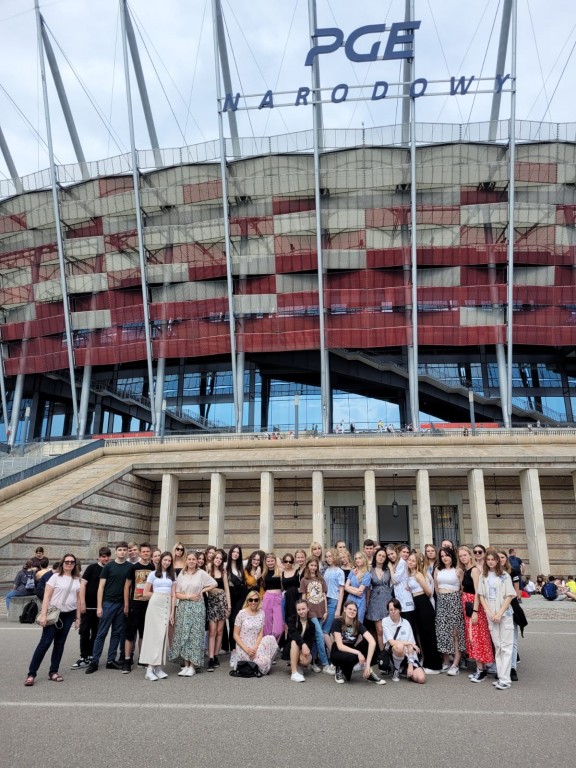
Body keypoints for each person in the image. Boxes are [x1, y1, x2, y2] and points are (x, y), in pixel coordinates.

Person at [24, 554, 81, 686]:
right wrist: (43, 615)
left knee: (60, 644)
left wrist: (78, 618)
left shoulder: (77, 579)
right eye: (66, 561)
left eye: (72, 562)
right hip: (54, 614)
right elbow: (47, 597)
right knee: (45, 643)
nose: (69, 564)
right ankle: (31, 674)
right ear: (62, 563)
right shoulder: (55, 577)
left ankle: (53, 672)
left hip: (68, 615)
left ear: (75, 564)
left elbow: (78, 600)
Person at [85, 542, 132, 674]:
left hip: (121, 604)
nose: (122, 552)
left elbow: (129, 586)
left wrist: (126, 605)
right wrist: (99, 606)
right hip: (108, 603)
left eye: (124, 550)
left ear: (127, 552)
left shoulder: (130, 567)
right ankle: (94, 661)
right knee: (101, 633)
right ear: (116, 552)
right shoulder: (109, 566)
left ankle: (111, 660)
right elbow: (101, 587)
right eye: (120, 550)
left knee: (116, 633)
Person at [170, 551, 217, 676]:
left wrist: (203, 590)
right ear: (187, 560)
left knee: (194, 635)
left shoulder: (201, 573)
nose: (191, 561)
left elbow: (214, 583)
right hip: (184, 607)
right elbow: (177, 593)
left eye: (193, 559)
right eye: (189, 559)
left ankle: (192, 665)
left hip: (197, 608)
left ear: (197, 561)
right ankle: (185, 665)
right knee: (184, 635)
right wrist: (189, 596)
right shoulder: (182, 574)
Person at [477, 548, 516, 690]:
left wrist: (499, 613)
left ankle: (505, 679)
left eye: (493, 559)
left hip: (504, 611)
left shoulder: (505, 575)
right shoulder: (483, 576)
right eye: (488, 559)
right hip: (490, 611)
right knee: (498, 645)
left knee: (506, 646)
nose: (491, 562)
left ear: (498, 561)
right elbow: (481, 596)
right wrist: (489, 612)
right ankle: (501, 676)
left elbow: (510, 595)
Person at [457, 546, 494, 683]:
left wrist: (476, 611)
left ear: (470, 555)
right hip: (467, 605)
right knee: (472, 637)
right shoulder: (466, 570)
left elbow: (478, 592)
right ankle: (479, 668)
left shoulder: (474, 571)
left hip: (474, 606)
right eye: (460, 556)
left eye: (465, 555)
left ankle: (481, 670)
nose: (463, 557)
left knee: (477, 637)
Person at [71, 546, 111, 670]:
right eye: (103, 556)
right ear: (99, 557)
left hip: (100, 607)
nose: (106, 559)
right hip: (87, 606)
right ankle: (84, 657)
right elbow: (82, 585)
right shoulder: (92, 568)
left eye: (108, 556)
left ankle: (91, 656)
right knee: (84, 631)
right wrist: (82, 602)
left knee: (96, 633)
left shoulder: (110, 568)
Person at [140, 551, 177, 680]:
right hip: (155, 604)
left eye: (169, 560)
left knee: (162, 636)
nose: (167, 562)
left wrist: (172, 612)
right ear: (160, 560)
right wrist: (158, 596)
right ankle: (150, 668)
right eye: (165, 560)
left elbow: (173, 594)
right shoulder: (152, 574)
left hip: (167, 605)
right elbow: (145, 593)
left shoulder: (172, 575)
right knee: (153, 636)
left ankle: (158, 666)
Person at [330, 600, 384, 684]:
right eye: (350, 609)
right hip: (337, 650)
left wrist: (368, 665)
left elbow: (372, 642)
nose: (352, 611)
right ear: (344, 609)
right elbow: (340, 646)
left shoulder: (358, 624)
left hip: (351, 649)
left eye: (354, 610)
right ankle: (339, 668)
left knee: (368, 644)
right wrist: (358, 653)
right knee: (352, 657)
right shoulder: (338, 622)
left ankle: (368, 672)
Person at [121, 542, 154, 673]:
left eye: (148, 551)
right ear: (140, 553)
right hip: (135, 603)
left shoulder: (152, 567)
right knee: (130, 633)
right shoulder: (134, 567)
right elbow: (127, 586)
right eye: (144, 551)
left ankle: (142, 658)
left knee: (144, 632)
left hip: (147, 604)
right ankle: (127, 660)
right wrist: (127, 604)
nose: (146, 553)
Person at [406, 552, 442, 673]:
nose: (410, 562)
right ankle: (428, 663)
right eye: (409, 560)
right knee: (423, 636)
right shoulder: (410, 574)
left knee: (429, 635)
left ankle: (435, 666)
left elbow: (428, 592)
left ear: (417, 563)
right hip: (417, 604)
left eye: (413, 561)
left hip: (423, 603)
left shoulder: (418, 575)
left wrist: (420, 597)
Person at [434, 546, 465, 675]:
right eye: (442, 556)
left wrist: (453, 598)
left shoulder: (458, 571)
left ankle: (455, 664)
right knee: (442, 631)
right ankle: (446, 661)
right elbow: (436, 587)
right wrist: (441, 598)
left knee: (455, 633)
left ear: (452, 556)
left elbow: (462, 589)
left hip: (454, 600)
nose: (444, 558)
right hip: (441, 600)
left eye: (447, 555)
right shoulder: (437, 570)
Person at [299, 557, 333, 674]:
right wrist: (303, 612)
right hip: (310, 611)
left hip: (320, 611)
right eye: (311, 565)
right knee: (319, 635)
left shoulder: (321, 579)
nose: (313, 568)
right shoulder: (304, 580)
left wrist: (326, 611)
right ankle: (325, 664)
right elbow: (303, 597)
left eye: (315, 566)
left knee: (314, 637)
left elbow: (323, 596)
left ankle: (312, 662)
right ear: (308, 566)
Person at [232, 590, 278, 676]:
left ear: (259, 601)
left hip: (255, 644)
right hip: (243, 645)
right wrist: (246, 649)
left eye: (256, 600)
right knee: (252, 662)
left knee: (270, 639)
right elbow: (235, 634)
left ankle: (256, 665)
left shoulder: (261, 613)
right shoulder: (241, 613)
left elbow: (261, 633)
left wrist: (255, 647)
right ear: (247, 601)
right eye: (251, 600)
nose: (253, 602)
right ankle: (251, 665)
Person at [382, 598, 426, 684]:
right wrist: (409, 643)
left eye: (395, 609)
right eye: (391, 610)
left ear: (400, 610)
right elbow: (392, 642)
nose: (393, 611)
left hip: (409, 655)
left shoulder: (406, 623)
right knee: (399, 646)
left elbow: (411, 647)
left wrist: (410, 664)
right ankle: (396, 670)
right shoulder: (385, 621)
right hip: (394, 651)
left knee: (421, 679)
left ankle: (406, 669)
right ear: (388, 611)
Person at [206, 548, 231, 671]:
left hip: (222, 602)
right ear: (213, 558)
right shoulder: (208, 569)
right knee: (212, 631)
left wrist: (229, 606)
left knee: (220, 631)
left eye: (220, 559)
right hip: (211, 602)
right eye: (217, 558)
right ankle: (210, 658)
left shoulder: (223, 571)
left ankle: (215, 655)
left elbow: (226, 590)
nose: (218, 560)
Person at [365, 547, 393, 659]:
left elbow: (394, 581)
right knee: (379, 630)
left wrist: (391, 568)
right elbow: (368, 588)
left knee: (389, 628)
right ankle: (382, 654)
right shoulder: (370, 570)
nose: (381, 557)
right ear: (375, 556)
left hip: (387, 599)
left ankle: (391, 651)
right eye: (379, 555)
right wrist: (367, 603)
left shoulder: (388, 570)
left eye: (383, 556)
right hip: (375, 601)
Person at [283, 599, 316, 682]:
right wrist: (303, 644)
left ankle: (298, 666)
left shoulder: (311, 625)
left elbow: (310, 641)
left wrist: (306, 648)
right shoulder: (292, 619)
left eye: (303, 609)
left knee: (306, 660)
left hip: (302, 649)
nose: (301, 612)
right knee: (294, 642)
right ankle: (294, 673)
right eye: (299, 610)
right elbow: (293, 634)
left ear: (308, 608)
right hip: (290, 648)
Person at [321, 548, 345, 655]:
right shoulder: (326, 570)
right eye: (326, 556)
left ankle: (334, 655)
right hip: (325, 600)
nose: (328, 558)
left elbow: (341, 591)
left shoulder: (339, 571)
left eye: (330, 556)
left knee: (325, 631)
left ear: (335, 556)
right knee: (329, 631)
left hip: (334, 600)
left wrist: (338, 609)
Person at [226, 544, 247, 651]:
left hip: (241, 597)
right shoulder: (226, 567)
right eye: (234, 552)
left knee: (238, 621)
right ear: (230, 553)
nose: (235, 554)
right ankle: (232, 648)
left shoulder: (241, 567)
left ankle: (238, 647)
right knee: (231, 621)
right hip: (231, 595)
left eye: (237, 552)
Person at [262, 552, 284, 642]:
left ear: (275, 561)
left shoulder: (280, 571)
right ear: (265, 562)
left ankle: (274, 642)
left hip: (278, 597)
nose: (270, 563)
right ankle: (267, 645)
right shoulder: (264, 573)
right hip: (267, 598)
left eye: (272, 561)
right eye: (268, 561)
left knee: (279, 628)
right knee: (266, 623)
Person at [345, 551, 371, 622]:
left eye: (359, 558)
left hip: (360, 601)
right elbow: (345, 587)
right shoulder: (352, 571)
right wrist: (354, 591)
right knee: (347, 622)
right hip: (350, 599)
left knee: (358, 623)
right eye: (356, 559)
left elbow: (360, 592)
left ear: (364, 559)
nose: (357, 560)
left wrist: (349, 588)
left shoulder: (367, 574)